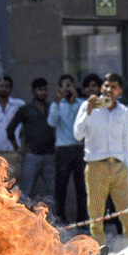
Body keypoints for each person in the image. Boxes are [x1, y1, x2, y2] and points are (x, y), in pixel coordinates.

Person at [73, 73, 128, 246]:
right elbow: (77, 135)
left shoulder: (124, 111)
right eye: (106, 86)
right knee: (96, 216)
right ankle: (98, 254)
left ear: (120, 91)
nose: (109, 90)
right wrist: (88, 110)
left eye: (114, 87)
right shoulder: (87, 106)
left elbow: (125, 146)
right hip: (96, 166)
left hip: (119, 167)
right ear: (102, 88)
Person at [8, 78, 56, 204]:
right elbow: (10, 129)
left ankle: (53, 221)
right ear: (33, 91)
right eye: (40, 90)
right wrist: (17, 149)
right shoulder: (25, 109)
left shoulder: (51, 107)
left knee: (52, 192)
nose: (43, 93)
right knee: (25, 192)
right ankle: (24, 221)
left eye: (45, 90)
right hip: (31, 156)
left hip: (50, 156)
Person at [48, 74, 87, 225]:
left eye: (70, 85)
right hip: (63, 150)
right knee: (61, 186)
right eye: (64, 86)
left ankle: (82, 220)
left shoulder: (81, 104)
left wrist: (74, 99)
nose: (67, 89)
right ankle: (60, 219)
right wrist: (58, 102)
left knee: (82, 186)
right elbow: (51, 122)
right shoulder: (56, 105)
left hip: (79, 148)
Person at [0, 75, 25, 184]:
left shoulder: (19, 105)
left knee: (13, 186)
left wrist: (23, 129)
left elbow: (28, 122)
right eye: (1, 86)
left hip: (13, 153)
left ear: (11, 89)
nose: (4, 89)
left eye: (7, 86)